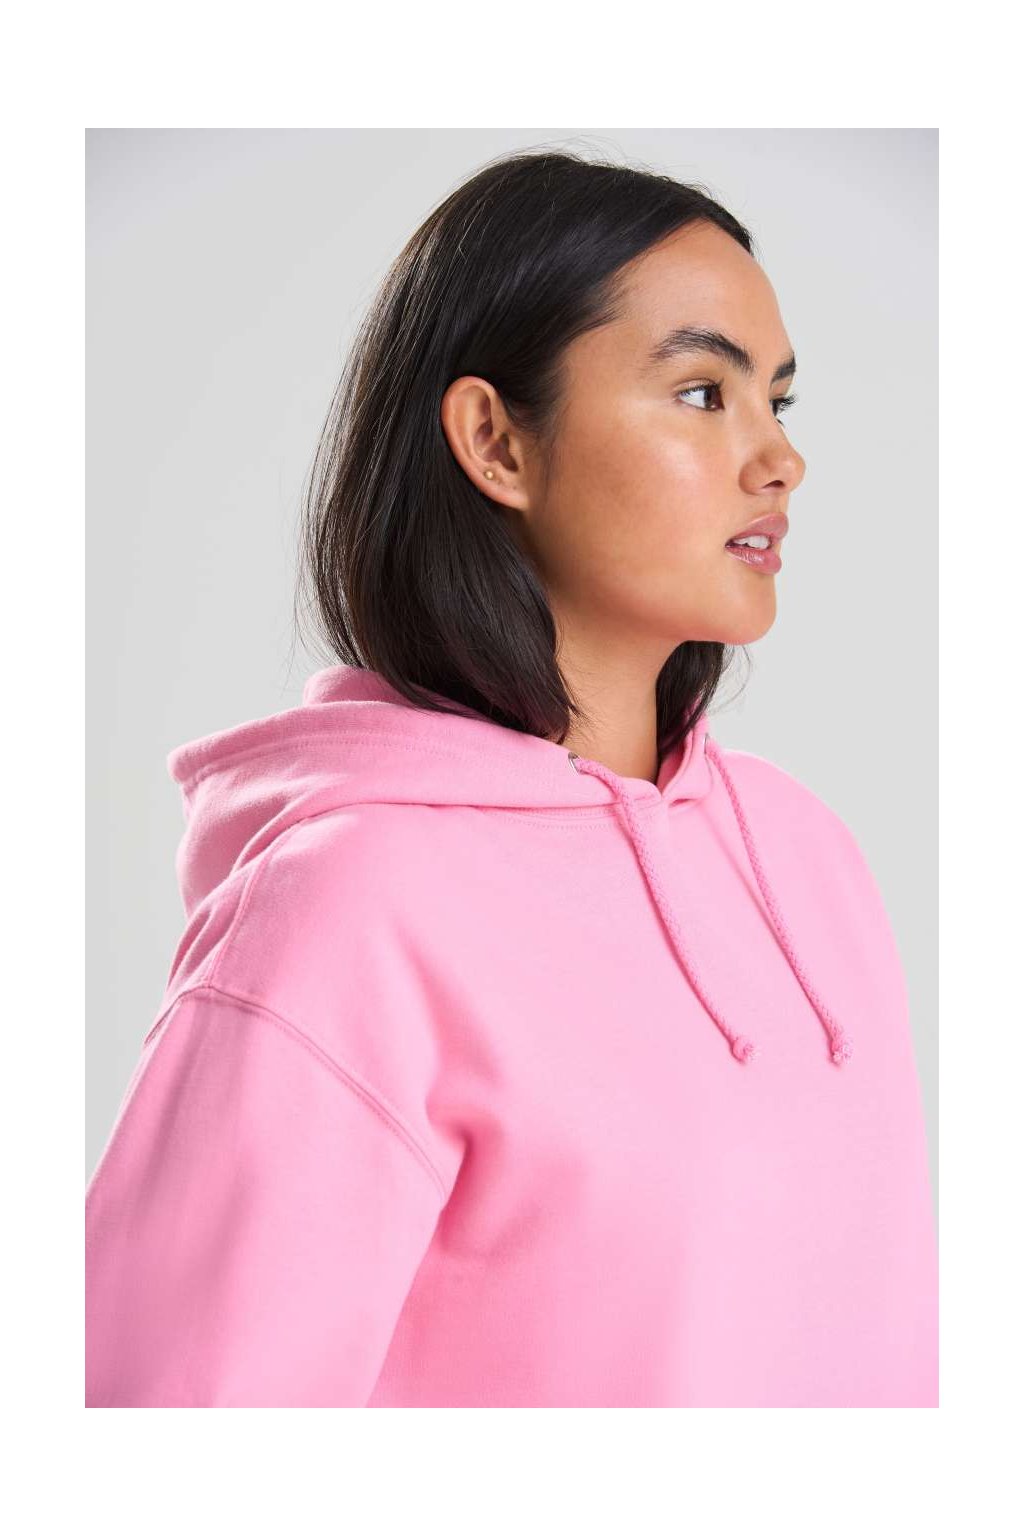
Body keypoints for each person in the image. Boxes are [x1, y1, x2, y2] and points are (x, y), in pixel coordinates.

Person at [85, 147, 938, 1407]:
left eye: (778, 401)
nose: (777, 460)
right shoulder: (353, 905)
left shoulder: (804, 854)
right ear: (495, 442)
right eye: (701, 392)